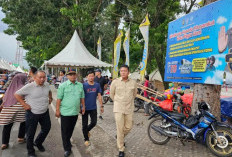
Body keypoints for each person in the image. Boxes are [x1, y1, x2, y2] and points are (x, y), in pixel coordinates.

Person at [15, 71, 52, 157]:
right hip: (32, 113)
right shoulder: (29, 86)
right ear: (35, 78)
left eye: (44, 77)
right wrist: (24, 104)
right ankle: (30, 151)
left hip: (44, 111)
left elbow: (49, 91)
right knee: (30, 133)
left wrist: (50, 98)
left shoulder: (46, 84)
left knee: (47, 128)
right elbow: (16, 94)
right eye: (40, 77)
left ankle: (38, 142)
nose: (42, 79)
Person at [56, 70, 85, 157]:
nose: (72, 76)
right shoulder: (63, 85)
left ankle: (67, 142)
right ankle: (67, 149)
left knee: (71, 129)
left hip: (75, 112)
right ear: (67, 76)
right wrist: (57, 110)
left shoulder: (80, 85)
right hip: (65, 112)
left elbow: (82, 97)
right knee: (65, 131)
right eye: (70, 75)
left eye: (73, 74)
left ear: (76, 75)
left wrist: (83, 107)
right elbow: (58, 99)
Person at [110, 65, 137, 157]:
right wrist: (118, 102)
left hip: (129, 108)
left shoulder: (133, 83)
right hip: (118, 108)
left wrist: (127, 102)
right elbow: (111, 94)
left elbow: (134, 94)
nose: (123, 72)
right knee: (120, 128)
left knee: (128, 127)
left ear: (128, 72)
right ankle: (121, 149)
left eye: (125, 71)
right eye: (121, 71)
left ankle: (119, 137)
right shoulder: (115, 82)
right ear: (120, 72)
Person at [0, 73, 27, 150]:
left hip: (9, 109)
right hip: (21, 109)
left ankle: (4, 143)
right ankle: (21, 137)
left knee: (7, 125)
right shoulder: (24, 87)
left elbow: (5, 98)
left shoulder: (10, 87)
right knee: (23, 122)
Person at [82, 71, 104, 146]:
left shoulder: (97, 85)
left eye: (92, 76)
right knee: (84, 124)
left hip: (93, 107)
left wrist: (101, 106)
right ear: (87, 77)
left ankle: (86, 131)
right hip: (85, 107)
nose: (91, 77)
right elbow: (81, 97)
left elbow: (99, 96)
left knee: (94, 122)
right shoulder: (84, 85)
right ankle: (86, 139)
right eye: (89, 76)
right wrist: (81, 106)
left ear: (94, 77)